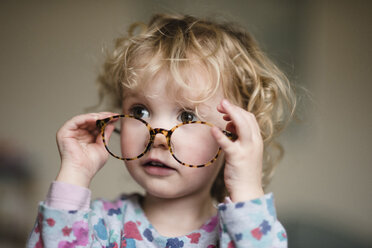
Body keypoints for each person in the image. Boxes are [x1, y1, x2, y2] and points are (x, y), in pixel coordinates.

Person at [27, 13, 295, 247]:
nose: (156, 135)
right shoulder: (99, 225)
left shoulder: (238, 234)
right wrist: (74, 174)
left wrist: (247, 188)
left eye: (188, 116)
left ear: (233, 135)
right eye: (140, 111)